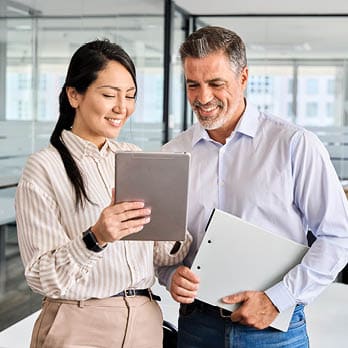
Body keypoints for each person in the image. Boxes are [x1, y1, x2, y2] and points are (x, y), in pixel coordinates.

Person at [156, 26, 348, 347]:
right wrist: (170, 275)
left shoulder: (294, 145)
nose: (203, 98)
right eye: (193, 85)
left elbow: (337, 237)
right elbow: (161, 248)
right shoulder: (172, 155)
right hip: (196, 326)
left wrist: (278, 298)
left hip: (275, 329)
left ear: (243, 78)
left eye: (216, 83)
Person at [15, 39, 190, 348]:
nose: (122, 107)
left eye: (130, 96)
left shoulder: (132, 156)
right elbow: (41, 277)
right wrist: (95, 237)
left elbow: (161, 255)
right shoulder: (43, 168)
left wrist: (172, 222)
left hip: (144, 323)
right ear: (74, 95)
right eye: (109, 95)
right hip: (78, 326)